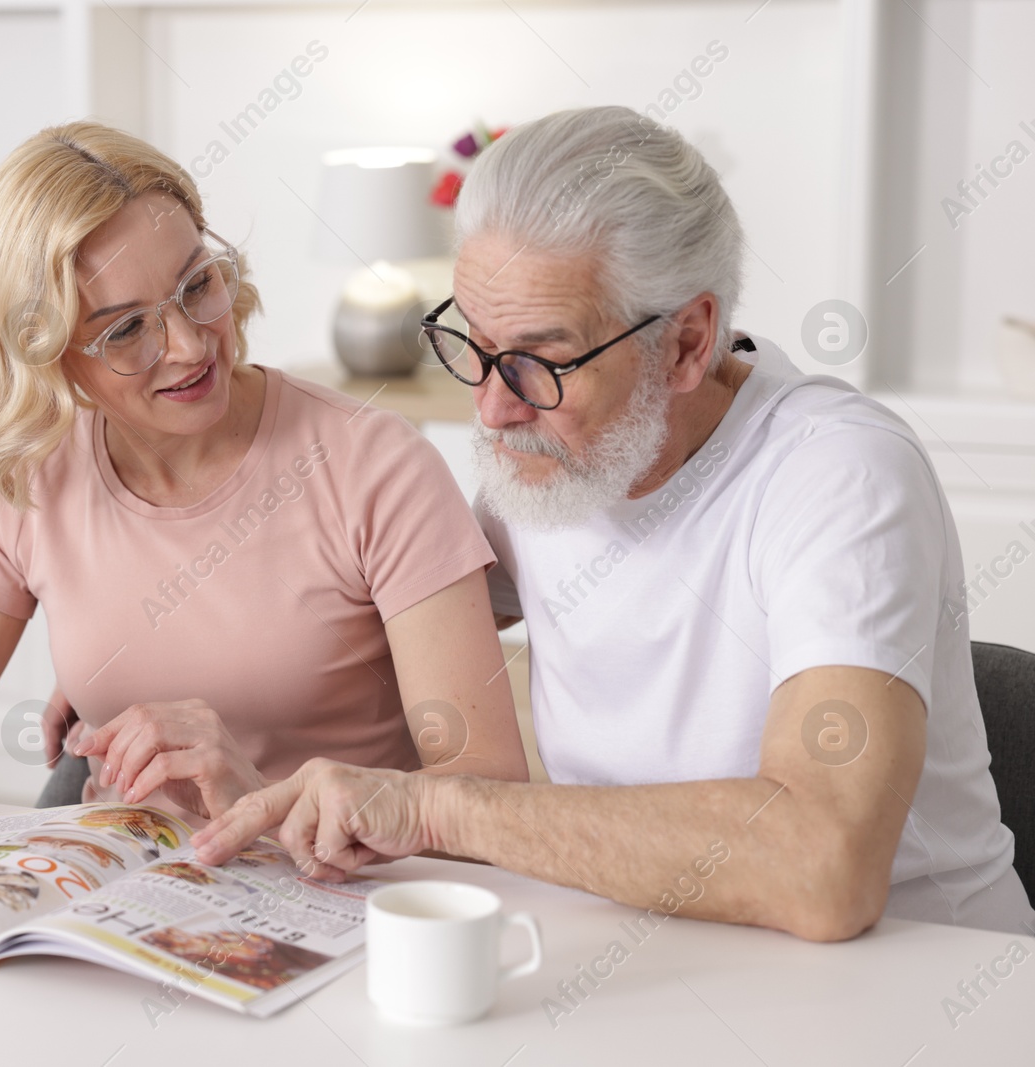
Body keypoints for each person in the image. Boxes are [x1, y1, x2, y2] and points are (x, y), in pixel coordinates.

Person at [193, 105, 1035, 940]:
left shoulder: (839, 473)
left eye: (539, 360)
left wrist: (443, 809)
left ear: (687, 342)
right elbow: (346, 639)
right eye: (476, 345)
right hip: (658, 964)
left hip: (921, 984)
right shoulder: (557, 459)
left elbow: (824, 867)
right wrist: (215, 728)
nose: (490, 407)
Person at [0, 121, 528, 821]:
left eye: (197, 285)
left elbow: (487, 787)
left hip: (332, 908)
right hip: (120, 897)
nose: (190, 346)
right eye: (128, 329)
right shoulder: (30, 481)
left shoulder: (377, 467)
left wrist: (258, 803)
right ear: (45, 357)